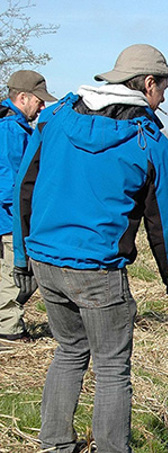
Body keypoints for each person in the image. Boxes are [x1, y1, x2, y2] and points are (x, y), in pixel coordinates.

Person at [12, 44, 168, 453]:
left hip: (46, 261)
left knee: (69, 351)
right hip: (97, 271)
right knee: (112, 366)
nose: (165, 99)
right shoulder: (149, 140)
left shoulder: (56, 118)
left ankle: (53, 447)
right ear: (148, 84)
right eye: (163, 88)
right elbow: (165, 220)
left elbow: (24, 189)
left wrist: (22, 260)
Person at [0, 70, 56, 341]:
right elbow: (11, 183)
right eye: (38, 100)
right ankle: (9, 331)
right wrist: (29, 215)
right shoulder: (10, 129)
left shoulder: (12, 125)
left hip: (10, 217)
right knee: (13, 276)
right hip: (10, 219)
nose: (41, 106)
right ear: (22, 98)